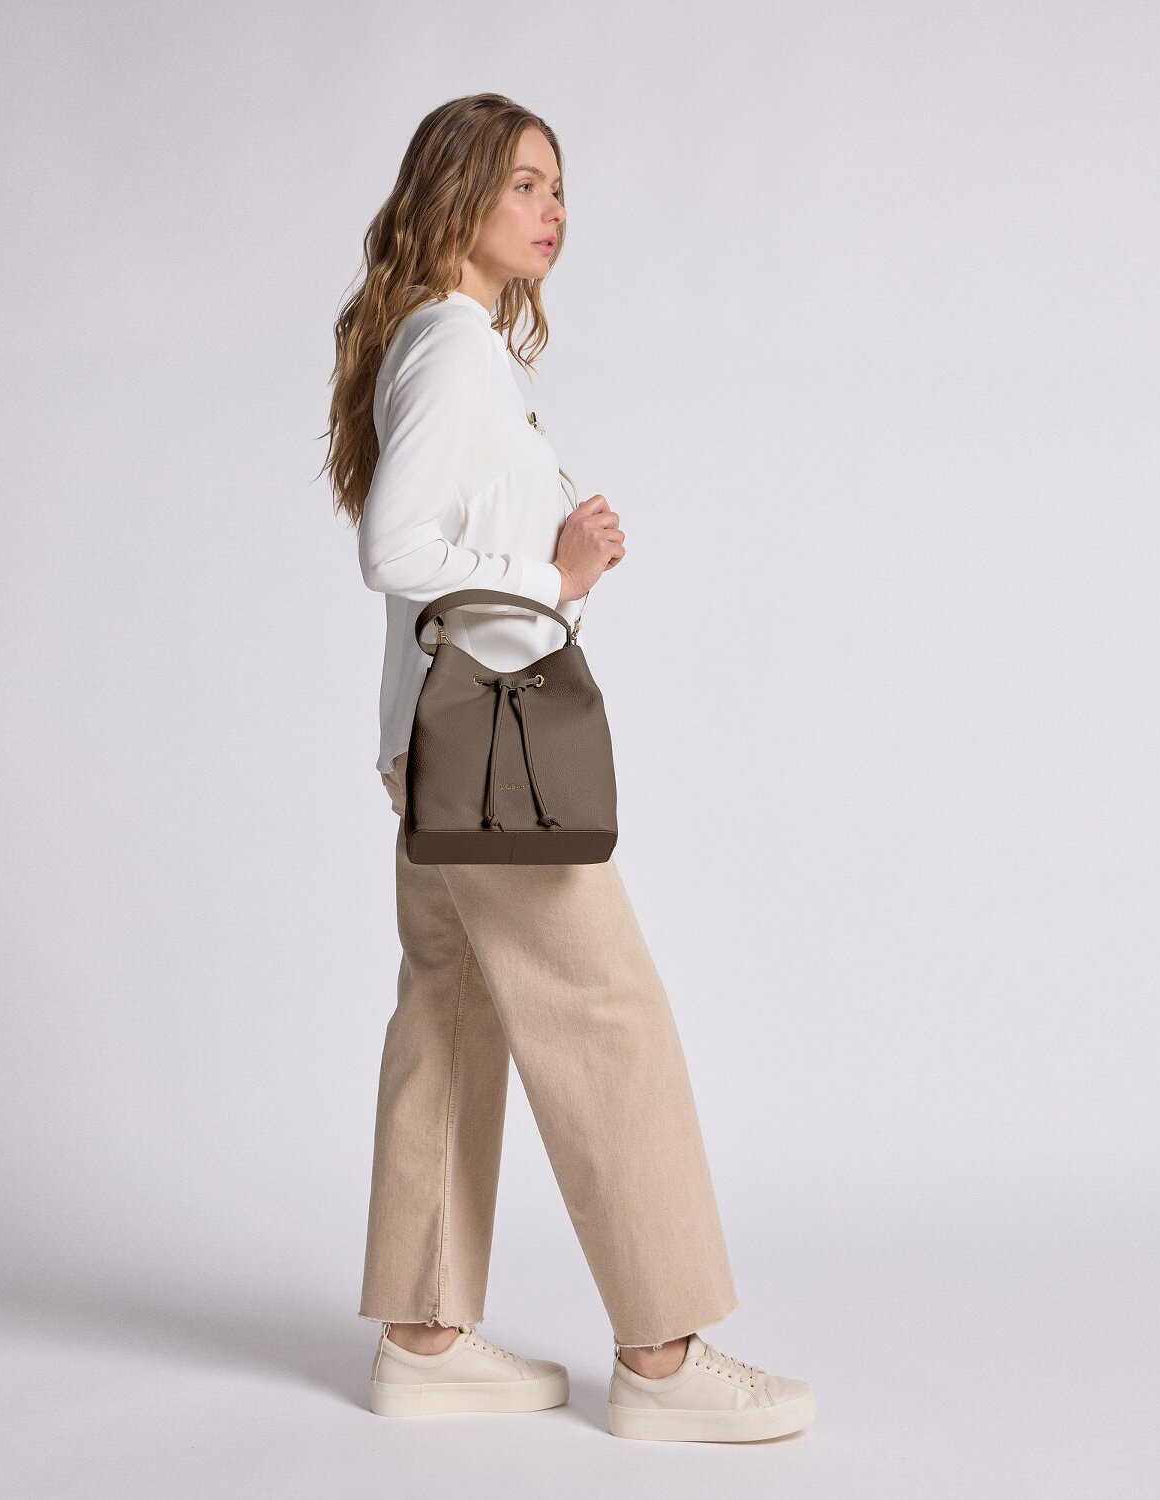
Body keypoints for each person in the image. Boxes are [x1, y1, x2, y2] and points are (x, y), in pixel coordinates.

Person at [321, 92, 816, 1443]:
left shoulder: (439, 344)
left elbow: (424, 560)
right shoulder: (456, 349)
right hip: (489, 763)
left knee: (450, 1016)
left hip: (436, 750)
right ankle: (662, 1354)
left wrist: (551, 569)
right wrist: (558, 572)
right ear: (459, 190)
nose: (553, 212)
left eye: (559, 191)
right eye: (527, 184)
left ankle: (425, 1338)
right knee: (608, 1016)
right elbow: (396, 551)